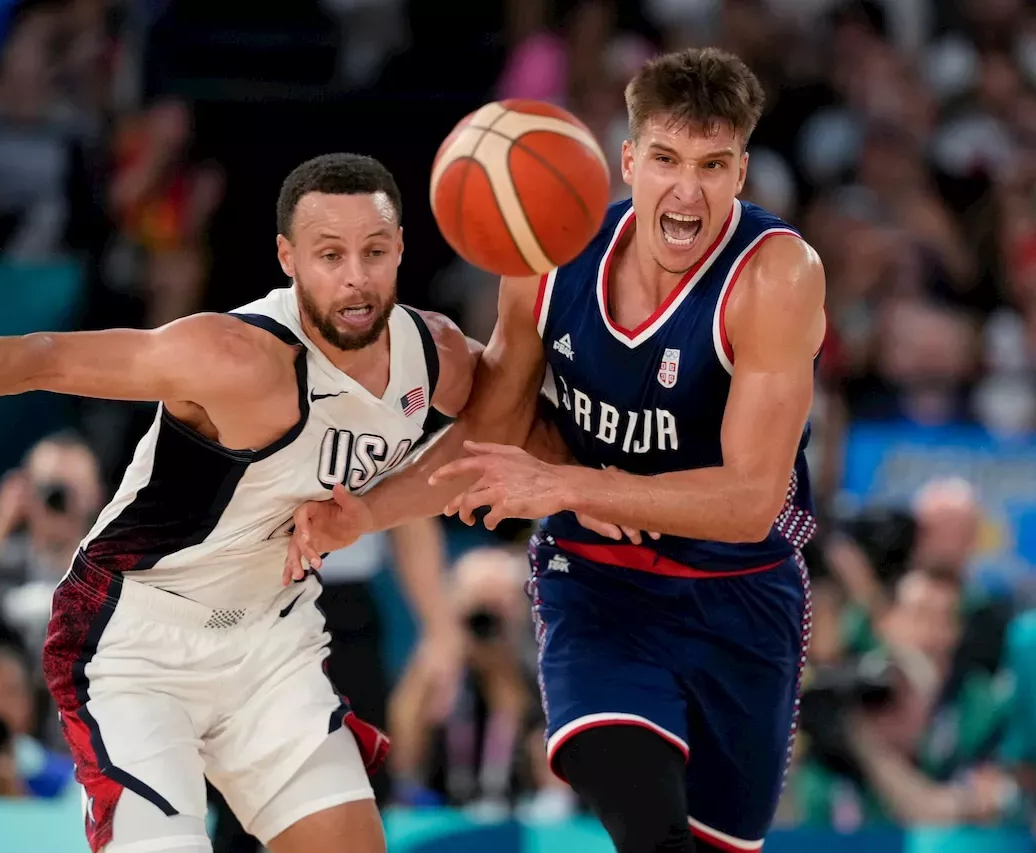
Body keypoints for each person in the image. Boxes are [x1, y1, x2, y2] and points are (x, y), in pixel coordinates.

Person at [0, 153, 478, 853]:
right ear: (288, 258)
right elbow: (43, 357)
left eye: (373, 250)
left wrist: (531, 278)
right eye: (330, 254)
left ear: (400, 249)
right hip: (137, 639)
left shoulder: (435, 355)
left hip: (272, 638)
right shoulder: (232, 357)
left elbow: (510, 423)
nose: (356, 276)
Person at [285, 48, 827, 853]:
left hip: (739, 594)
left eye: (714, 165)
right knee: (642, 817)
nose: (688, 191)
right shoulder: (548, 253)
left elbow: (751, 502)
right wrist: (364, 511)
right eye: (668, 161)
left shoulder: (776, 275)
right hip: (596, 586)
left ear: (741, 171)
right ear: (629, 160)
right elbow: (492, 437)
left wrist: (571, 484)